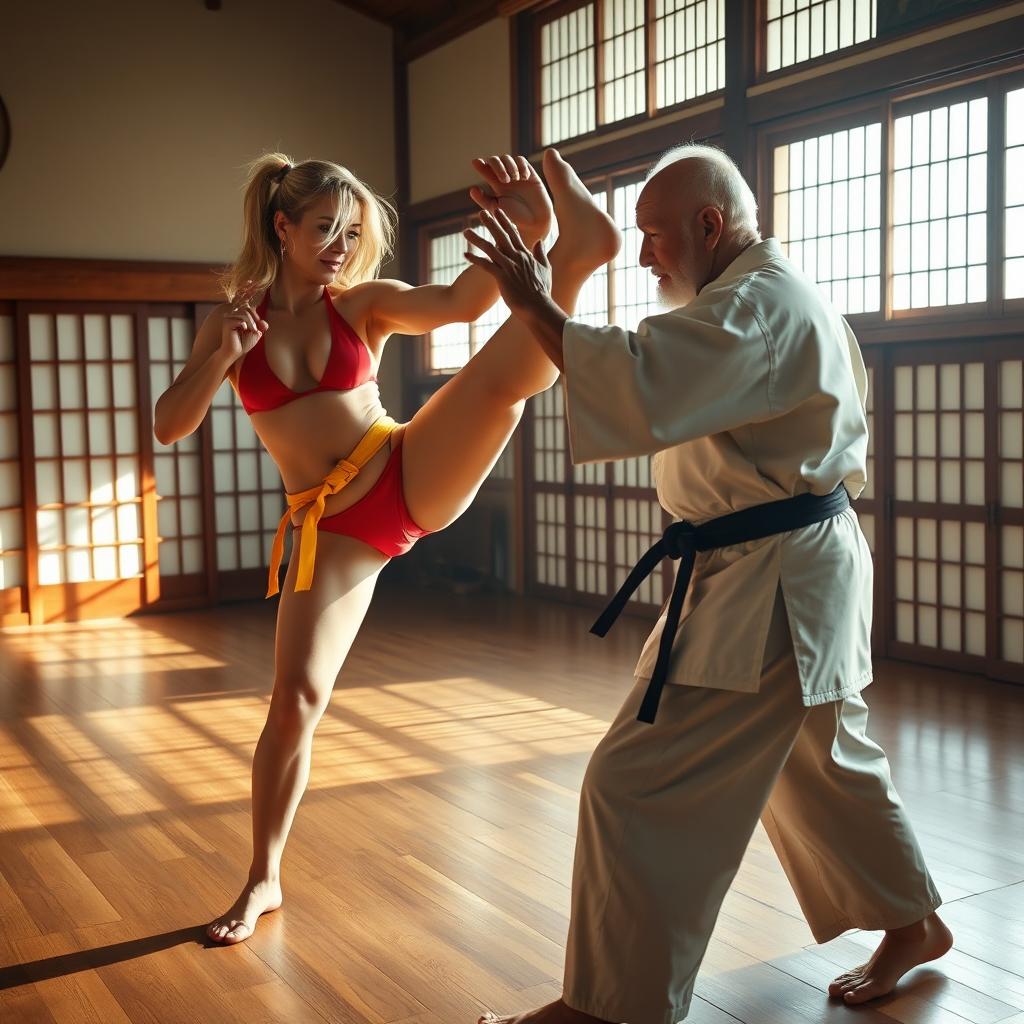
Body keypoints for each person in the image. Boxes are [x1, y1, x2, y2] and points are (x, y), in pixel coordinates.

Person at [464, 143, 953, 1024]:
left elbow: (638, 376)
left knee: (634, 784)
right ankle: (913, 924)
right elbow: (653, 370)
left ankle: (611, 1009)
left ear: (709, 224)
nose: (645, 257)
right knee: (822, 766)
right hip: (786, 569)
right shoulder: (758, 295)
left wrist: (534, 296)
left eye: (653, 237)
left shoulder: (760, 305)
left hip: (774, 584)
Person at [153, 149, 621, 944]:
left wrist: (523, 229)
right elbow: (170, 424)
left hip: (403, 468)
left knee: (496, 385)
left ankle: (573, 259)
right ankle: (263, 877)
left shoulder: (361, 305)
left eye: (351, 232)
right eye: (324, 230)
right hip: (328, 530)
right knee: (294, 704)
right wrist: (223, 357)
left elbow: (464, 302)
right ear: (282, 227)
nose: (340, 247)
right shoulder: (233, 323)